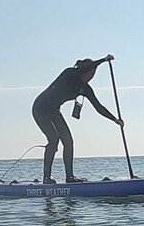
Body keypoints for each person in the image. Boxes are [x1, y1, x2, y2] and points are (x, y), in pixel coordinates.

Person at [33, 55, 123, 184]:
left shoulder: (86, 89)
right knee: (53, 139)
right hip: (40, 108)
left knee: (68, 141)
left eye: (94, 73)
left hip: (54, 111)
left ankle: (70, 177)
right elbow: (89, 66)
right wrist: (104, 60)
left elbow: (98, 107)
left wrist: (115, 119)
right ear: (85, 70)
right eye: (91, 72)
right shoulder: (69, 73)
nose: (92, 76)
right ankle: (47, 177)